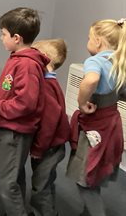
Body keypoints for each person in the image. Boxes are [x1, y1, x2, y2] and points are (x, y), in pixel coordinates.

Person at [0, 7, 50, 216]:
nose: (1, 37)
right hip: (9, 127)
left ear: (17, 38)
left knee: (6, 182)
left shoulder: (27, 65)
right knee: (15, 175)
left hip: (15, 131)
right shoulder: (17, 58)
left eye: (3, 34)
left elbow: (25, 103)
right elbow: (10, 88)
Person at [66, 18, 126, 216]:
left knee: (85, 182)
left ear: (99, 41)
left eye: (89, 38)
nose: (88, 41)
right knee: (94, 174)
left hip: (96, 128)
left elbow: (90, 80)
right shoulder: (119, 62)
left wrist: (82, 103)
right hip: (112, 124)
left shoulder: (96, 61)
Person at [29, 39, 70, 216]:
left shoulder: (45, 86)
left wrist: (38, 149)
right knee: (47, 181)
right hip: (55, 146)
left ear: (44, 59)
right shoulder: (52, 82)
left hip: (48, 148)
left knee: (40, 187)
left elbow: (49, 122)